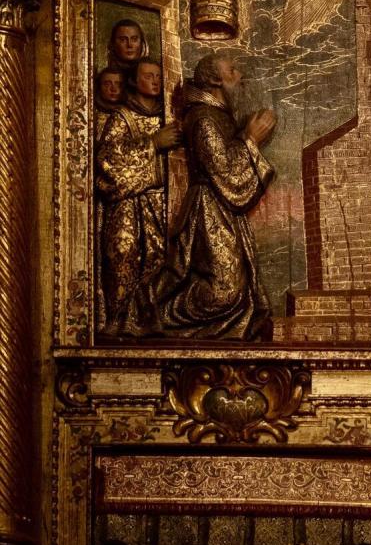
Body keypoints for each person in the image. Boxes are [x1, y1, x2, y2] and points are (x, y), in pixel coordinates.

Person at [156, 51, 277, 340]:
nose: (239, 76)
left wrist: (247, 139)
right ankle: (152, 312)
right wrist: (250, 140)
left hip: (222, 210)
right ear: (213, 79)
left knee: (236, 289)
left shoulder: (219, 117)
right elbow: (224, 173)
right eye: (232, 70)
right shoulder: (203, 119)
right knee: (224, 291)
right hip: (208, 211)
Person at [95, 57, 174, 338]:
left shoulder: (170, 117)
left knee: (158, 257)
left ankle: (151, 317)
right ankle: (118, 319)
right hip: (126, 206)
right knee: (123, 253)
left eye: (158, 76)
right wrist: (153, 143)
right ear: (134, 81)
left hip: (159, 203)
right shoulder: (122, 118)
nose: (155, 81)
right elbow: (108, 163)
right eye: (149, 76)